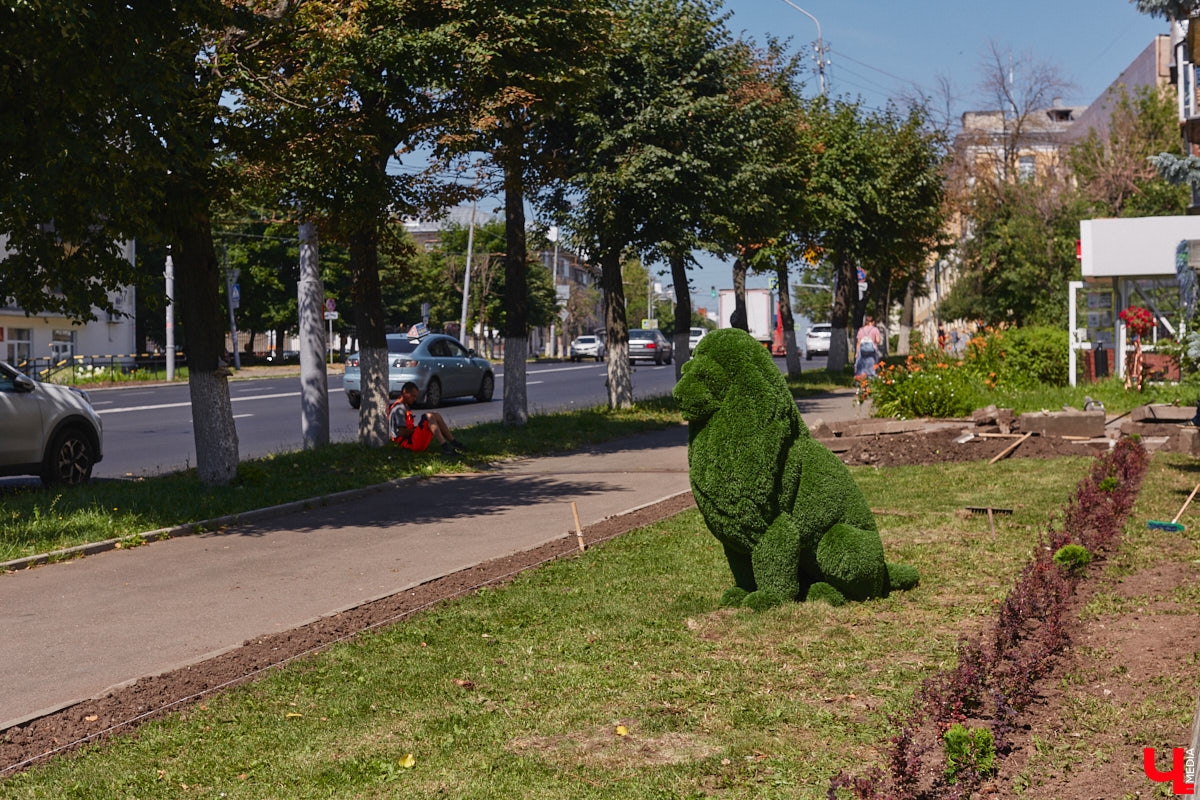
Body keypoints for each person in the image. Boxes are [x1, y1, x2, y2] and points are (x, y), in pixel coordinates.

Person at [388, 382, 468, 457]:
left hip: (411, 440)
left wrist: (417, 429)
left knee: (436, 415)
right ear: (404, 393)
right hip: (407, 444)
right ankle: (445, 448)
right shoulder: (399, 409)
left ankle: (454, 443)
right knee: (428, 416)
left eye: (415, 396)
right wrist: (416, 429)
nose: (414, 399)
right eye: (413, 396)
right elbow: (401, 432)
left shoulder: (404, 406)